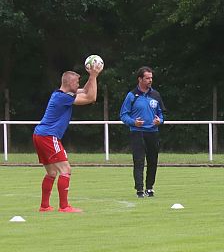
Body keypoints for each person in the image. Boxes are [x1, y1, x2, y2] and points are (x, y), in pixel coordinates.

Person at [32, 62, 103, 212]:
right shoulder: (63, 97)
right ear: (70, 82)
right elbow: (91, 97)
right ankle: (64, 207)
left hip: (40, 135)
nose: (78, 84)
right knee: (66, 169)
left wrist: (92, 76)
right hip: (48, 136)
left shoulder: (60, 94)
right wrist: (94, 76)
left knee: (52, 172)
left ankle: (44, 206)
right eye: (76, 82)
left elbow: (85, 90)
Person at [120, 66, 166, 198]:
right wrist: (133, 122)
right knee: (139, 161)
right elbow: (123, 115)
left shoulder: (155, 95)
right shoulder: (131, 96)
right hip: (137, 132)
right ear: (140, 79)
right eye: (147, 78)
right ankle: (139, 190)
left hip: (153, 132)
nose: (150, 80)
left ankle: (150, 188)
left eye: (151, 78)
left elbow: (161, 115)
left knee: (153, 161)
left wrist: (160, 121)